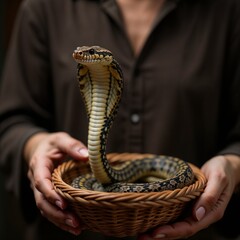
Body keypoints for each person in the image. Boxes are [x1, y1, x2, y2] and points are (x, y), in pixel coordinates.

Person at [0, 0, 240, 239]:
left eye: (91, 53)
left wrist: (232, 165)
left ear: (105, 58)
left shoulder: (229, 11)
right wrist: (34, 146)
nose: (83, 55)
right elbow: (11, 123)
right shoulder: (43, 7)